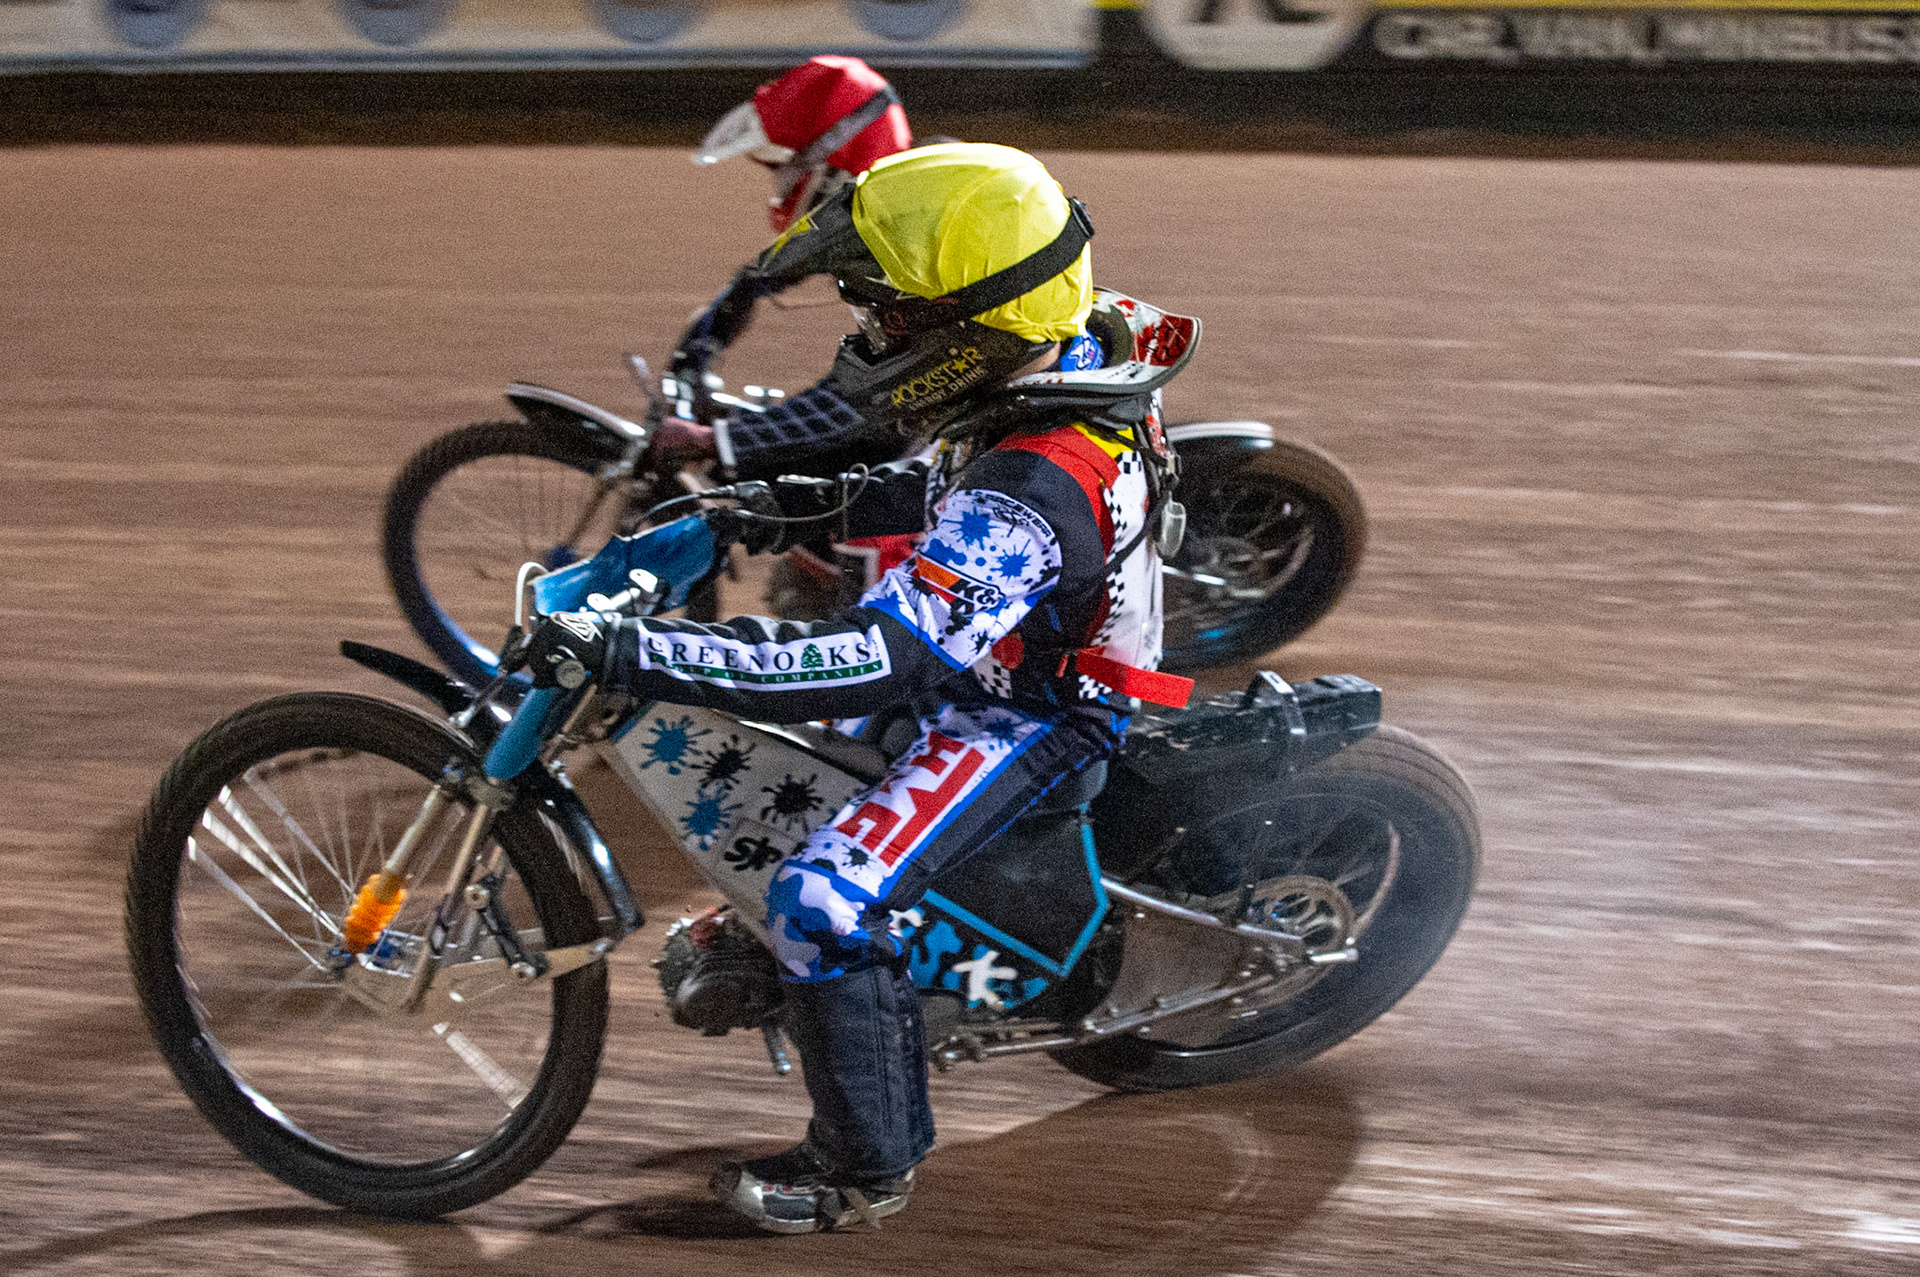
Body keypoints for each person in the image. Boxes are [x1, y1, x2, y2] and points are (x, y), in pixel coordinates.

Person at [527, 141, 1193, 1233]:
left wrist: (636, 652)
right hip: (999, 656)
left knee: (820, 899)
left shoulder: (1038, 479)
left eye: (887, 313)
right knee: (782, 783)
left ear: (964, 330)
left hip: (1029, 714)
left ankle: (862, 1164)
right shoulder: (1049, 352)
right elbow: (929, 484)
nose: (866, 332)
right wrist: (763, 513)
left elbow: (872, 657)